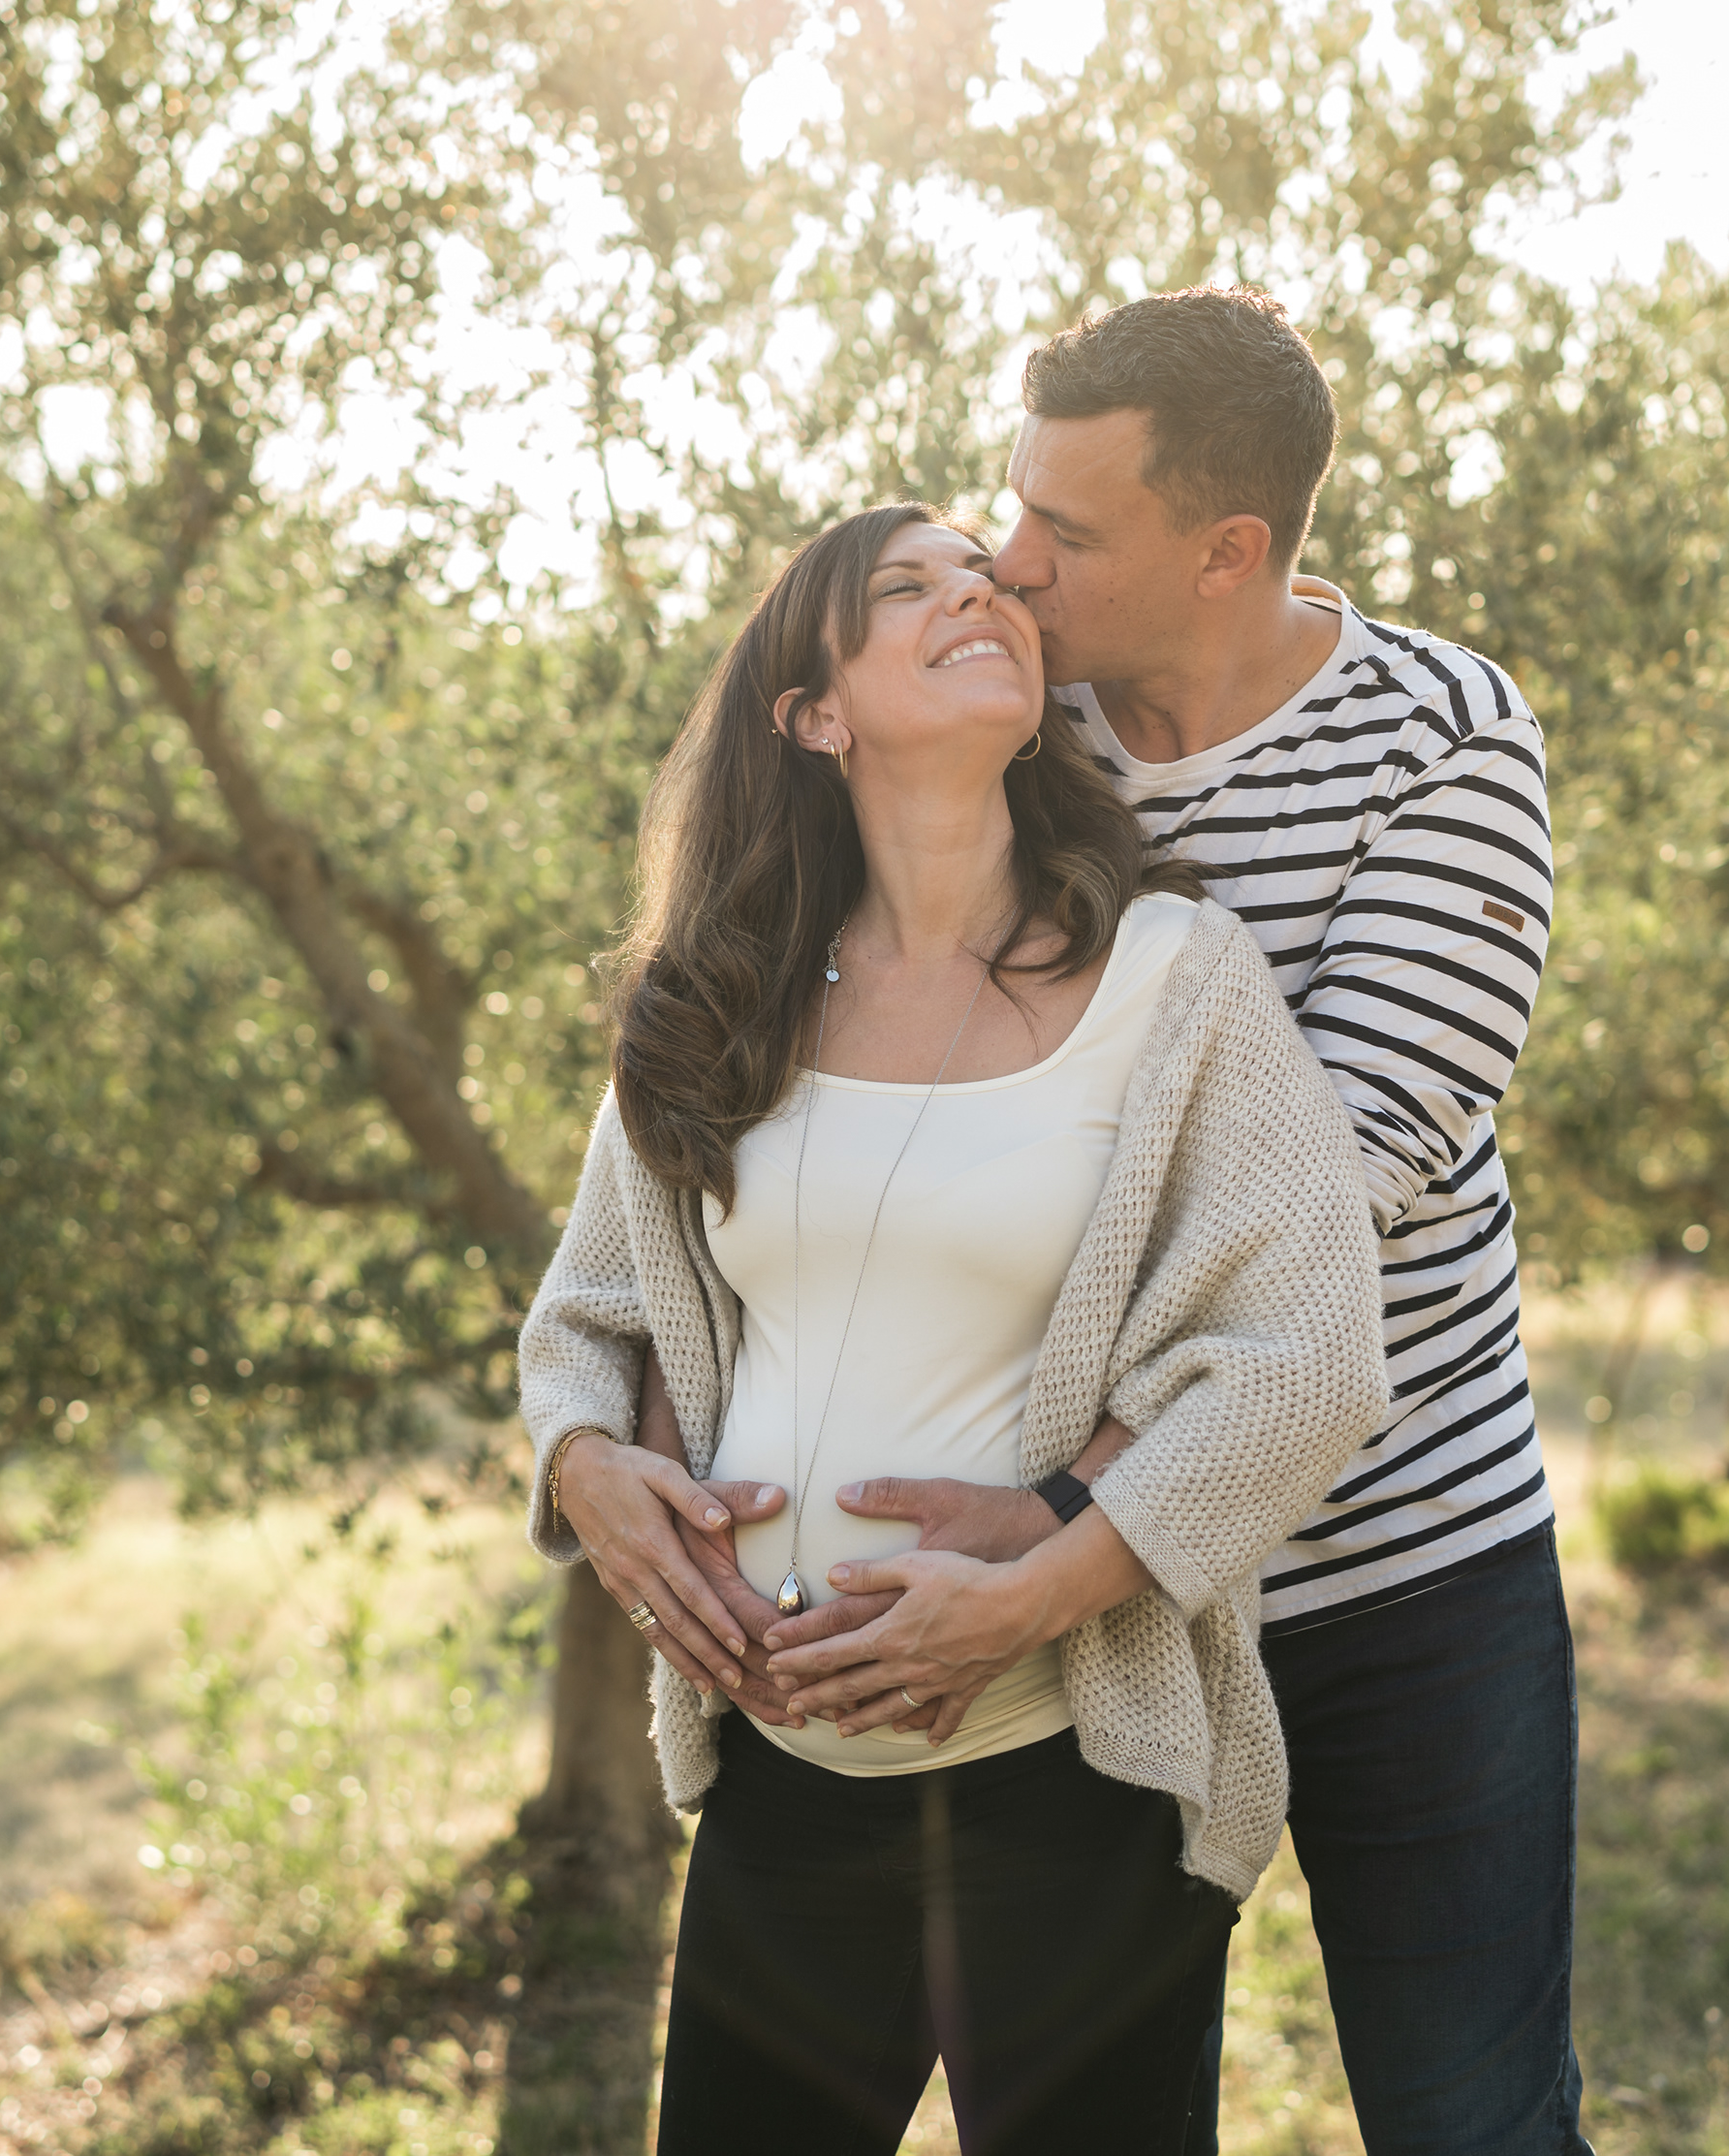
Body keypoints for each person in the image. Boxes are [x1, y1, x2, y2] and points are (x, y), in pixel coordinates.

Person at [715, 291, 1591, 2153]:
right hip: (1080, 1631)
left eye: (1069, 537)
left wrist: (1075, 1515)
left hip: (1394, 1569)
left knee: (1473, 2122)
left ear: (1230, 553)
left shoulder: (1442, 740)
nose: (1011, 570)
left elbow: (1332, 1191)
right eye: (1008, 509)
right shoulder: (1022, 739)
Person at [520, 502, 1390, 2154]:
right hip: (780, 1785)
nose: (972, 592)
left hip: (1064, 1773)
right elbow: (595, 1312)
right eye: (904, 588)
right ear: (814, 714)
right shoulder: (718, 995)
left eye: (981, 575)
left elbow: (1308, 1355)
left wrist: (1027, 1598)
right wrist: (589, 1473)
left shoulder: (1175, 976)